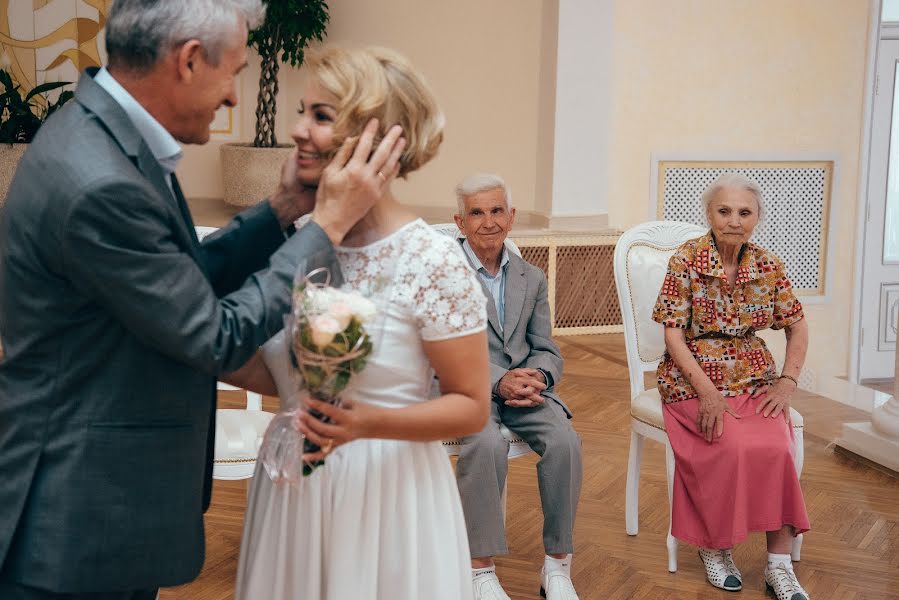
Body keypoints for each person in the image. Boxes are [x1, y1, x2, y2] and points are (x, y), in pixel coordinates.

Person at [0, 1, 404, 598]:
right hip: (75, 509)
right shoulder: (102, 180)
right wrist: (325, 228)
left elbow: (173, 281)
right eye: (234, 73)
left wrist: (281, 212)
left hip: (90, 490)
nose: (236, 99)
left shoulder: (96, 134)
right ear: (189, 60)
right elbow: (214, 335)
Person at [233, 46, 491, 600]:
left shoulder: (429, 258)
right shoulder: (297, 237)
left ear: (381, 140)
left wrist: (366, 424)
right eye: (303, 111)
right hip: (291, 486)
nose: (297, 130)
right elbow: (282, 374)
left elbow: (471, 406)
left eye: (321, 117)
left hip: (386, 496)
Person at [653, 173, 811, 600]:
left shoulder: (767, 265)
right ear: (709, 214)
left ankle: (779, 566)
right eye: (724, 211)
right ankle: (715, 547)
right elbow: (672, 336)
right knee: (728, 442)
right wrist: (707, 393)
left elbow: (797, 326)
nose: (734, 220)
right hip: (692, 381)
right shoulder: (686, 260)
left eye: (744, 212)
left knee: (777, 447)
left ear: (757, 218)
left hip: (753, 378)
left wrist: (787, 383)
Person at [451, 174, 583, 600]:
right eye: (476, 212)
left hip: (525, 390)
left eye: (496, 211)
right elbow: (440, 351)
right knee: (486, 444)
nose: (487, 221)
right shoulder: (443, 275)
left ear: (511, 217)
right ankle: (480, 570)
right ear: (460, 221)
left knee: (565, 441)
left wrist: (539, 377)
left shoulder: (533, 277)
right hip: (467, 388)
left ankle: (557, 567)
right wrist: (498, 380)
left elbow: (547, 348)